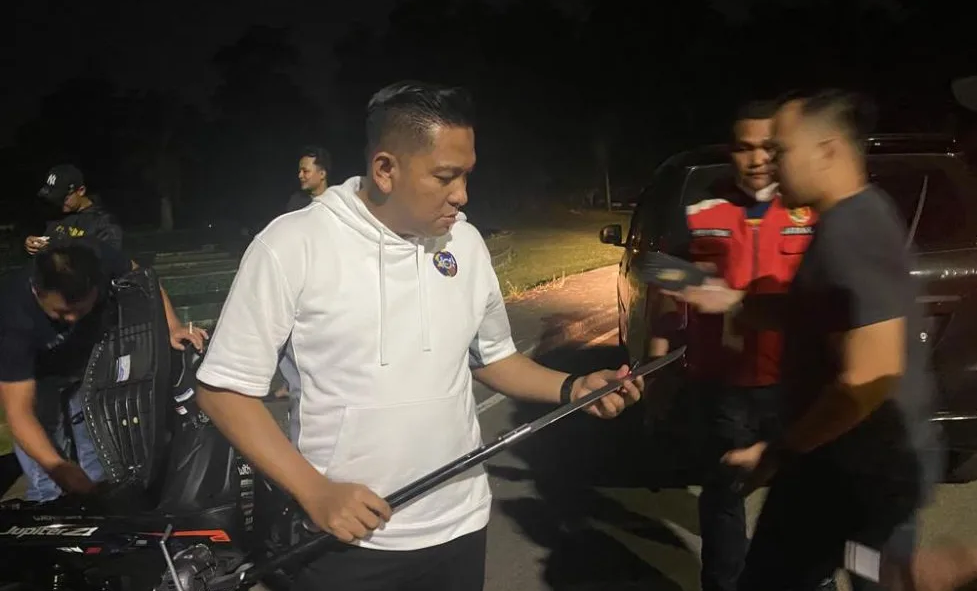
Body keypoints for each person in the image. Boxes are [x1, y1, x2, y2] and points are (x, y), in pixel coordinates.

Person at [194, 80, 644, 591]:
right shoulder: (292, 244)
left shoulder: (465, 243)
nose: (462, 195)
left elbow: (493, 358)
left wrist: (572, 387)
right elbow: (223, 389)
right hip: (347, 543)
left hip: (462, 527)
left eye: (467, 175)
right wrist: (314, 491)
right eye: (445, 177)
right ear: (385, 169)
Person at [669, 89, 942, 590]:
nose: (770, 163)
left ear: (827, 151)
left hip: (854, 479)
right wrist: (738, 303)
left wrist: (779, 451)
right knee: (867, 574)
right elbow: (819, 314)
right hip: (852, 470)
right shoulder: (856, 213)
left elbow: (868, 378)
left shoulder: (848, 233)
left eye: (782, 151)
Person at [645, 99, 817, 591]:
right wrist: (656, 367)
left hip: (793, 385)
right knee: (723, 497)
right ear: (730, 151)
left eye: (768, 147)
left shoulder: (812, 212)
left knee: (803, 496)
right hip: (723, 387)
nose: (757, 159)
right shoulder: (702, 211)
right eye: (745, 148)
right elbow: (663, 283)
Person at [0, 239, 207, 501]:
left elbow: (144, 279)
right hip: (38, 376)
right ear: (37, 292)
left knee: (96, 450)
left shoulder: (96, 258)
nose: (71, 319)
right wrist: (60, 469)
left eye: (79, 309)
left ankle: (99, 504)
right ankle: (48, 508)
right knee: (48, 471)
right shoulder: (13, 319)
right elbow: (19, 414)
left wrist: (172, 326)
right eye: (61, 313)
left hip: (87, 366)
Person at [25, 164, 123, 256]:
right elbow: (38, 235)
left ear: (81, 191)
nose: (59, 202)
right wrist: (30, 242)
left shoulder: (104, 222)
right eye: (54, 197)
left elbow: (109, 256)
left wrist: (60, 245)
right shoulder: (55, 212)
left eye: (63, 198)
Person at [286, 146, 332, 212]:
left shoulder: (336, 200)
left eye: (305, 171)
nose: (300, 176)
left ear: (322, 174)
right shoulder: (295, 202)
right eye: (299, 171)